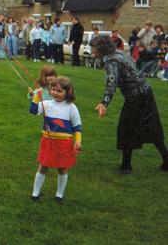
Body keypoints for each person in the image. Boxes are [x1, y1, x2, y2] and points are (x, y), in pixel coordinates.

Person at [91, 35, 168, 173]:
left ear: (101, 48)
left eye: (94, 47)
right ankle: (166, 161)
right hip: (146, 92)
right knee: (152, 126)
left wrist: (104, 102)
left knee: (126, 129)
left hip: (135, 96)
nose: (92, 50)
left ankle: (126, 167)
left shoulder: (111, 60)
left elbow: (111, 82)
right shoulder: (120, 53)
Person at [29, 76, 82, 201]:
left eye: (59, 91)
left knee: (62, 168)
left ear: (67, 92)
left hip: (64, 143)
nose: (54, 93)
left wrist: (78, 141)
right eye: (53, 89)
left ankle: (59, 194)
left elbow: (77, 127)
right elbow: (32, 110)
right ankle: (35, 193)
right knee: (43, 166)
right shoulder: (46, 104)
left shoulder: (71, 107)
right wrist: (36, 97)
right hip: (47, 141)